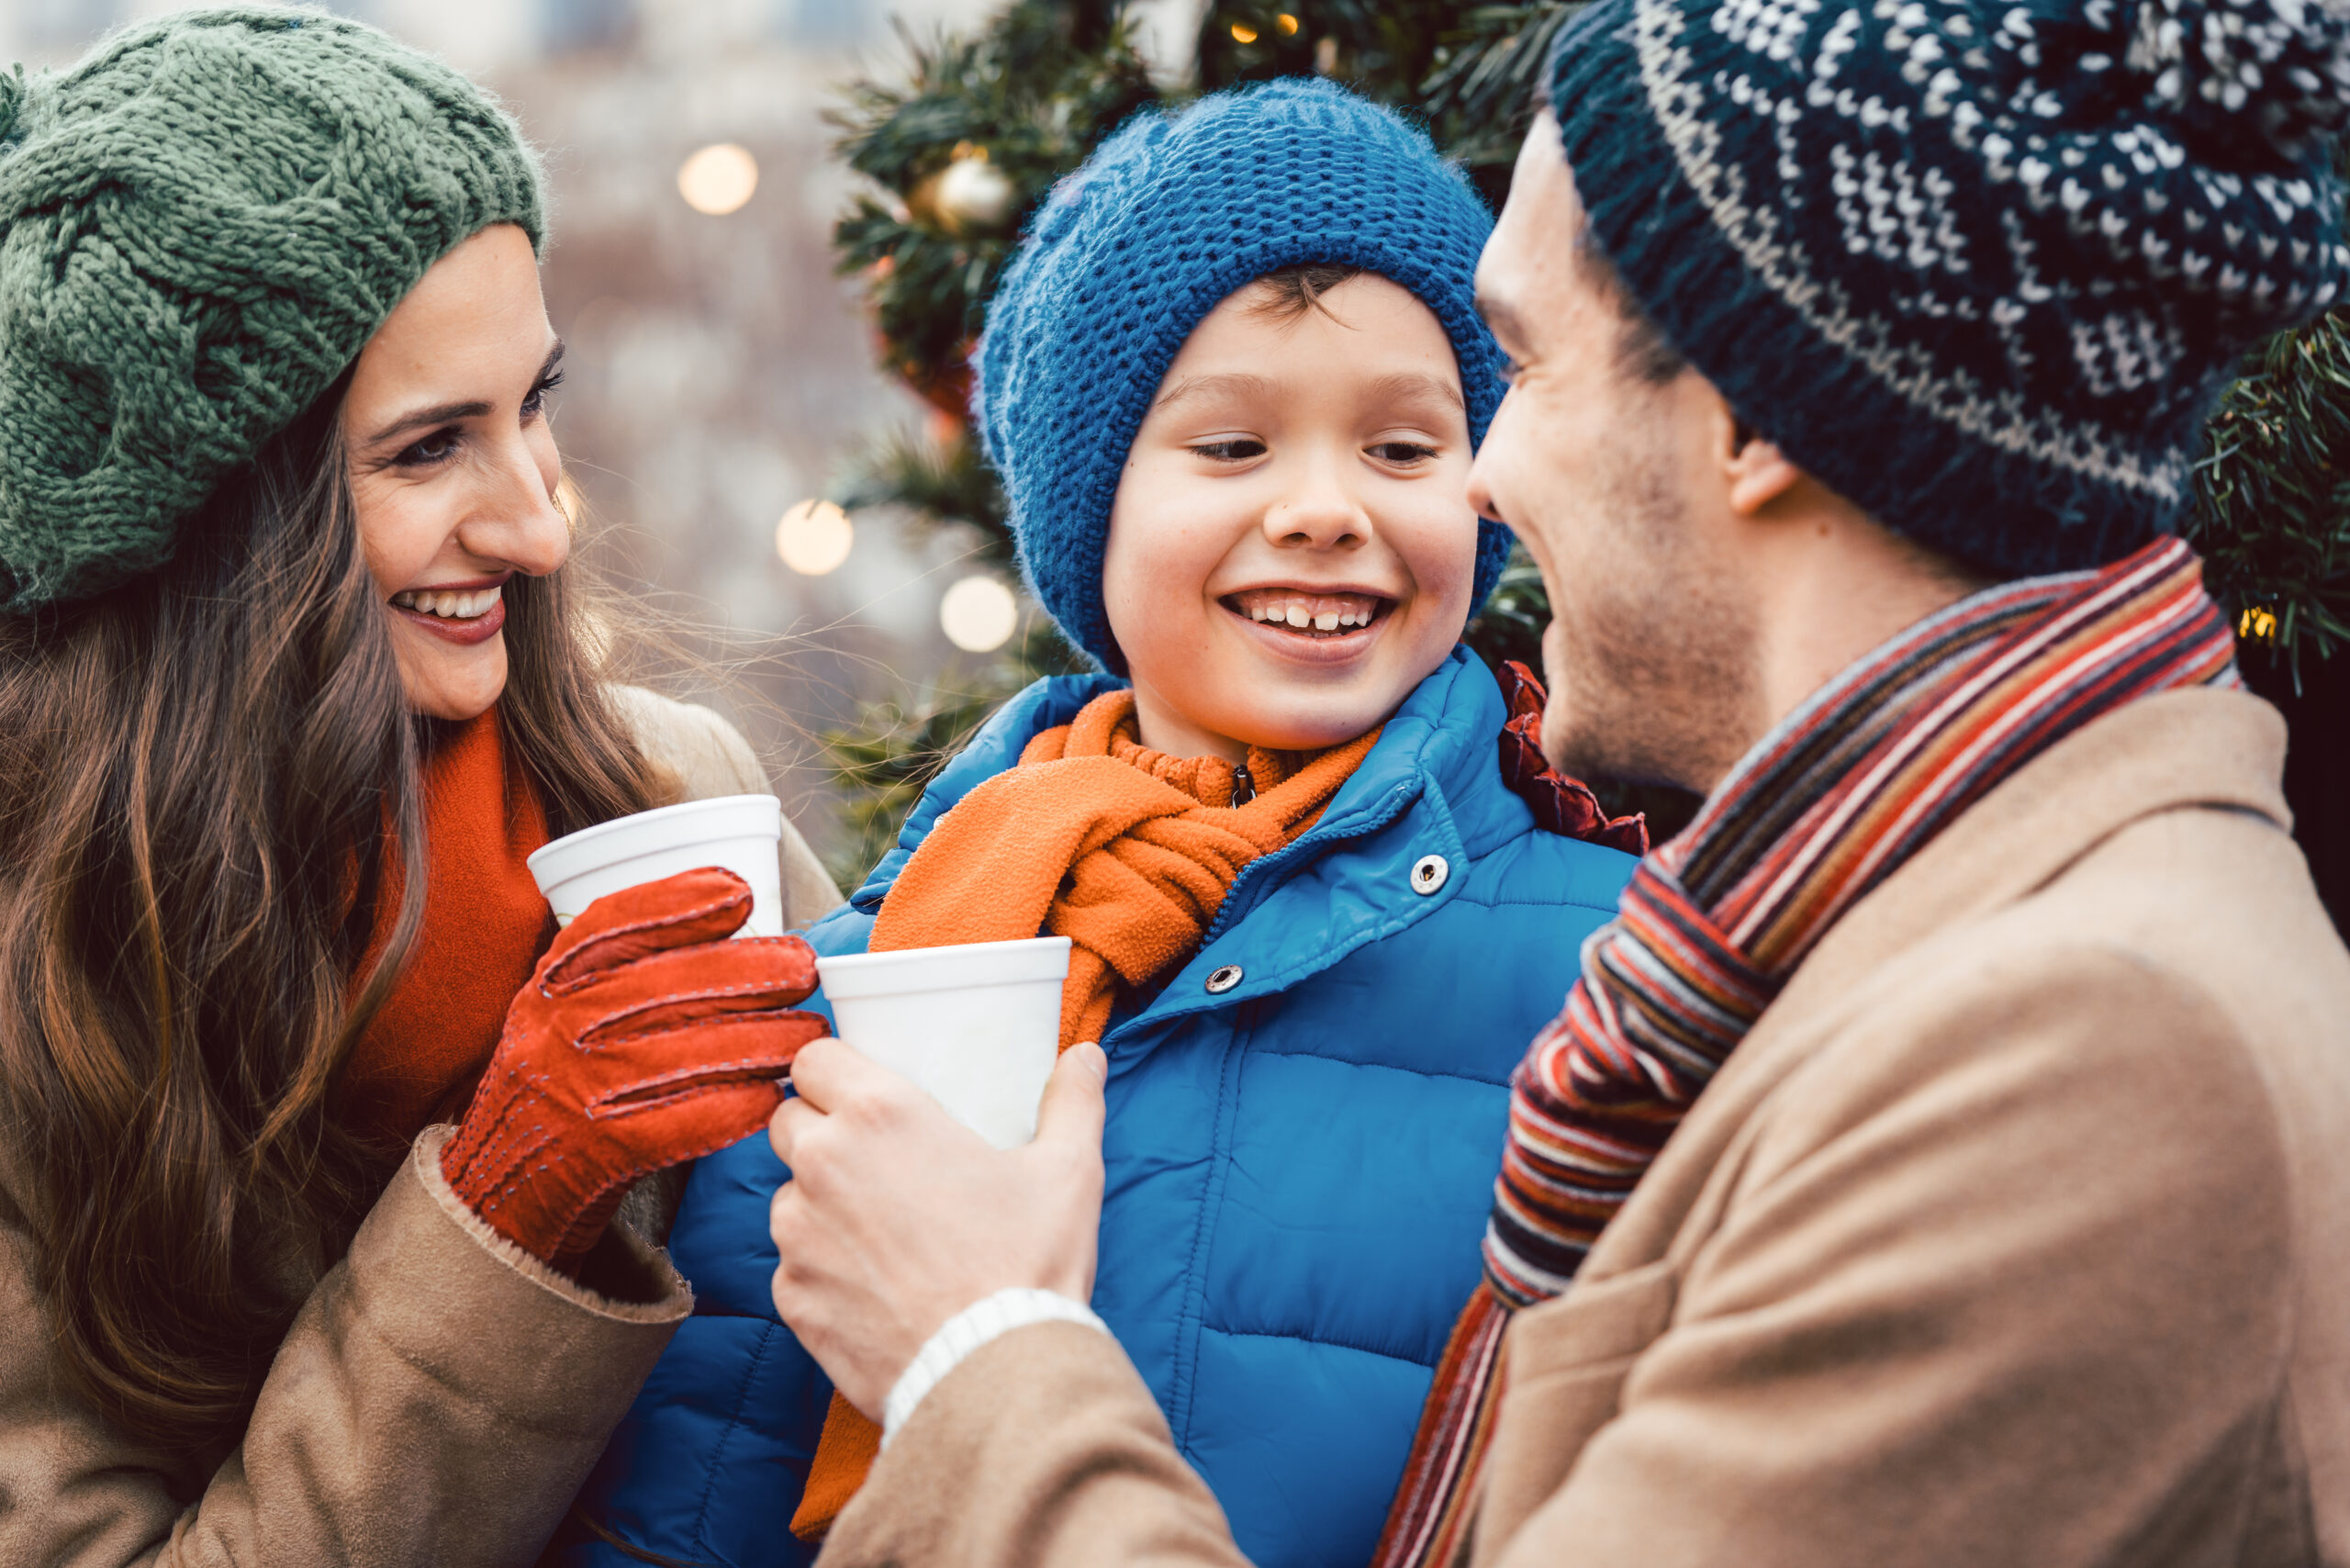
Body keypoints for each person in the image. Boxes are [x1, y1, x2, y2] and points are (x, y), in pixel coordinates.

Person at [761, 0, 2350, 1563]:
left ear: (1747, 415)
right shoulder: (1902, 941)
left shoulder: (2081, 1055)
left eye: (1514, 360)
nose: (1483, 470)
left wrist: (978, 1352)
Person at [563, 80, 1641, 1568]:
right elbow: (703, 1485)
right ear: (1092, 510)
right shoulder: (879, 973)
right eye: (1231, 449)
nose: (1327, 508)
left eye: (1403, 449)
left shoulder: (1619, 977)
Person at [0, 9, 842, 1562]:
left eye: (535, 405)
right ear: (217, 526)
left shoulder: (666, 789)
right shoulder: (35, 978)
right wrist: (506, 1209)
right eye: (426, 450)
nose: (538, 526)